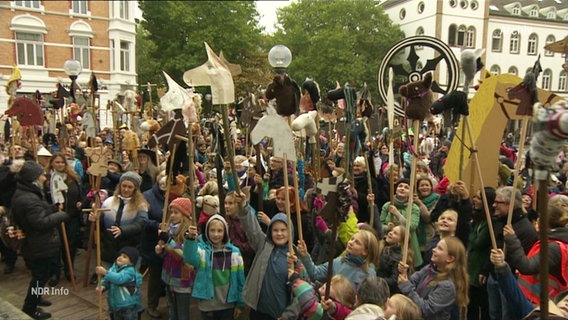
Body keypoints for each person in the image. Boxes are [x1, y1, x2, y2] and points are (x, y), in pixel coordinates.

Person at [12, 160, 69, 320]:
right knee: (40, 276)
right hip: (38, 244)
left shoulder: (29, 193)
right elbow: (40, 223)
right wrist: (61, 215)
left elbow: (39, 212)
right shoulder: (28, 198)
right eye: (42, 175)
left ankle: (36, 296)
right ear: (34, 178)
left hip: (39, 243)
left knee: (42, 274)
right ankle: (29, 307)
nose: (45, 177)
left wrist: (52, 208)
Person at [237, 190, 307, 319]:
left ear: (290, 231)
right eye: (275, 230)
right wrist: (244, 206)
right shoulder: (263, 245)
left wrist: (288, 315)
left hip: (279, 315)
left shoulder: (295, 256)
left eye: (283, 230)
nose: (279, 233)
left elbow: (301, 293)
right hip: (258, 310)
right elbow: (252, 228)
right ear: (270, 231)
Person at [505, 200, 568, 305]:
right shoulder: (552, 240)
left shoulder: (553, 247)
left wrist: (512, 240)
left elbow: (527, 267)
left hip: (540, 303)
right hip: (535, 299)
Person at [184, 214, 245, 319]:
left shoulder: (235, 253)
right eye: (212, 230)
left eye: (219, 231)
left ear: (225, 232)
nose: (216, 234)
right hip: (207, 305)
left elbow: (240, 280)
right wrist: (190, 239)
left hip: (228, 304)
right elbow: (189, 257)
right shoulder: (202, 251)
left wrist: (240, 303)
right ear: (207, 231)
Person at [398, 236, 469, 320]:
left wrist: (406, 285)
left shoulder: (447, 286)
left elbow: (425, 310)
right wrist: (404, 273)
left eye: (439, 249)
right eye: (436, 246)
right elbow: (411, 282)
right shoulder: (429, 268)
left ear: (450, 258)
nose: (433, 250)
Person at [96, 172, 149, 267]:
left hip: (129, 249)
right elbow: (100, 223)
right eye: (124, 186)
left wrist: (123, 230)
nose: (126, 189)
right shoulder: (108, 202)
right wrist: (94, 219)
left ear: (135, 189)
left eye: (130, 187)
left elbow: (141, 223)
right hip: (109, 248)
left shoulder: (141, 205)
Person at [45, 152, 84, 282]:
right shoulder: (47, 179)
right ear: (52, 163)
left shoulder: (73, 178)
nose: (60, 164)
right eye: (57, 162)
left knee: (71, 245)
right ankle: (55, 272)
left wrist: (80, 203)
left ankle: (69, 269)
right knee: (56, 245)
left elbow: (80, 195)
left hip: (71, 216)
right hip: (54, 218)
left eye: (62, 162)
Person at [155, 197, 196, 320]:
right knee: (172, 310)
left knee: (182, 313)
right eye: (171, 212)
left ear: (184, 214)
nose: (172, 215)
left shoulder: (189, 233)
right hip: (169, 276)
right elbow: (167, 254)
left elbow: (184, 256)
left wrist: (169, 241)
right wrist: (160, 250)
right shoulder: (169, 229)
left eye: (176, 212)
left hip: (182, 279)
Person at [298, 229, 378, 289]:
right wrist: (305, 255)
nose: (350, 242)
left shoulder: (369, 274)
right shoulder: (339, 261)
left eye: (357, 242)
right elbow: (315, 274)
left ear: (365, 251)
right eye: (352, 239)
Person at [380, 178, 423, 267]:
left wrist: (397, 214)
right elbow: (380, 224)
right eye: (400, 186)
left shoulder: (414, 208)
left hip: (407, 245)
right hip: (389, 244)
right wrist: (387, 228)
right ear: (395, 189)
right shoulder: (387, 205)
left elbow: (412, 227)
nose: (402, 188)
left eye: (406, 187)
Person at [467, 187, 494, 320]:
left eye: (478, 198)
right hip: (471, 268)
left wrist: (471, 232)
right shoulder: (477, 219)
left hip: (480, 268)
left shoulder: (488, 222)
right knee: (471, 305)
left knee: (481, 305)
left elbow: (477, 242)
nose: (475, 200)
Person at [95, 246, 143, 320]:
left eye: (124, 257)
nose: (120, 257)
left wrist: (105, 272)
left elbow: (119, 279)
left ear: (131, 261)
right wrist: (102, 286)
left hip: (128, 305)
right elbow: (107, 279)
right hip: (115, 304)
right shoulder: (114, 267)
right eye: (120, 255)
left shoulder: (130, 271)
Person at [377, 225, 408, 294]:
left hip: (385, 290)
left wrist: (377, 279)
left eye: (395, 233)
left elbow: (393, 280)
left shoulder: (399, 258)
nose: (390, 233)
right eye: (391, 231)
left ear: (400, 241)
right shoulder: (381, 246)